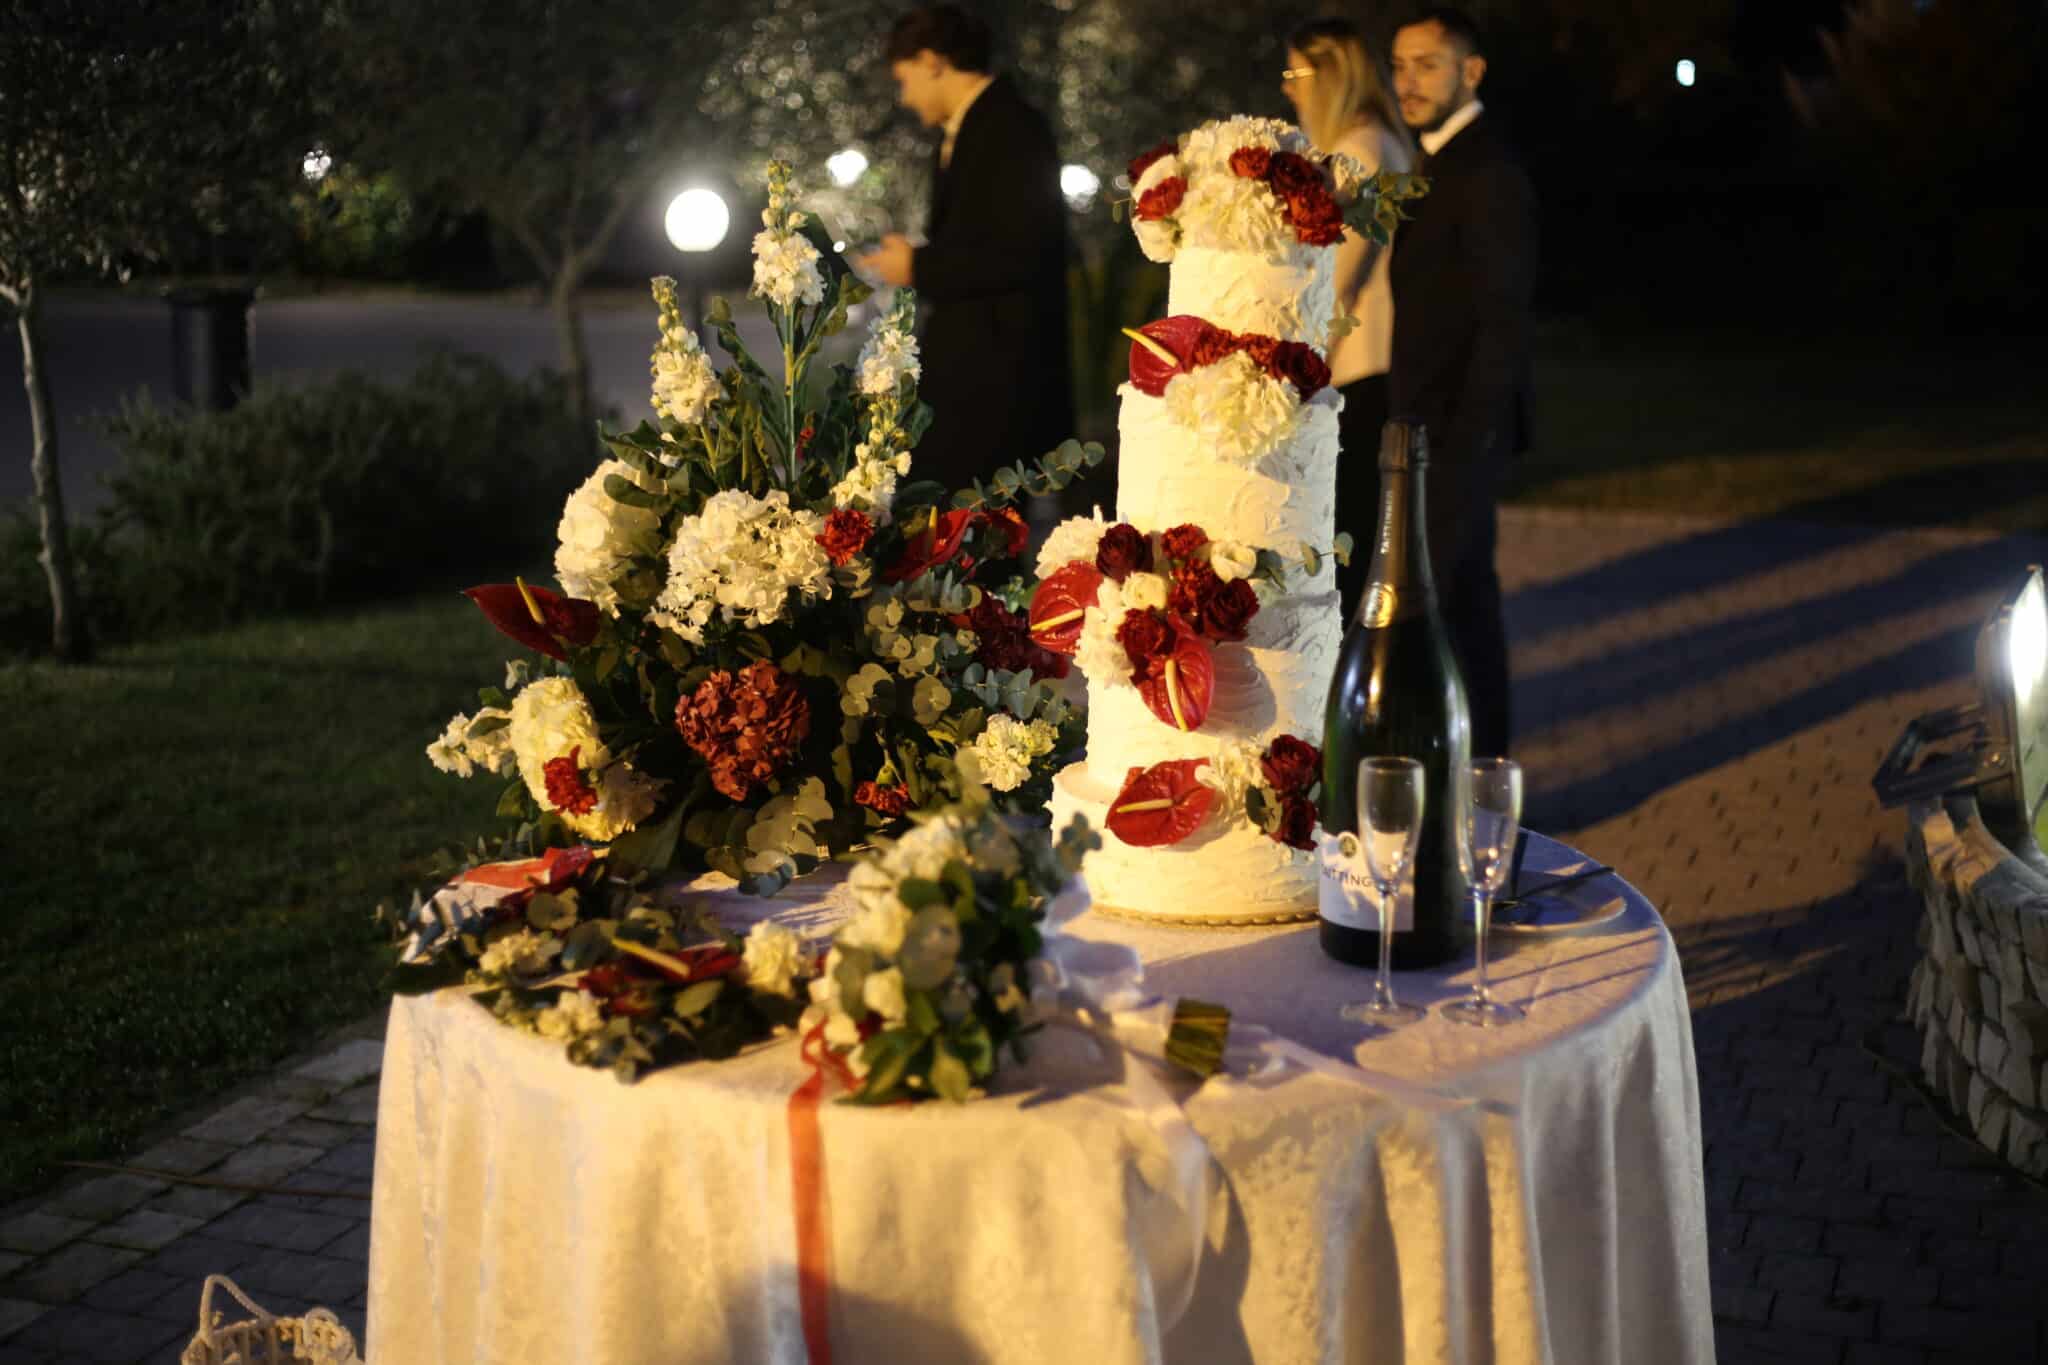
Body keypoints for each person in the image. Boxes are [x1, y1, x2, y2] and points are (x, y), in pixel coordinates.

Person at [1386, 5, 1536, 758]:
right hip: (1432, 427)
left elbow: (1503, 321)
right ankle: (1475, 775)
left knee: (1452, 611)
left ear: (1471, 72)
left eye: (1427, 65)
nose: (1407, 82)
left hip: (1456, 433)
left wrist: (1468, 441)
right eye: (1399, 66)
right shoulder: (1437, 162)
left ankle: (1472, 779)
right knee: (1461, 604)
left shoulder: (1487, 171)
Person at [855, 5, 1074, 496]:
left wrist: (918, 265)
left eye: (904, 79)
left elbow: (1022, 252)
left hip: (997, 389)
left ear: (932, 61)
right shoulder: (965, 130)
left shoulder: (1012, 127)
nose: (904, 97)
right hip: (970, 380)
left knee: (978, 527)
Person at [1279, 16, 1415, 618]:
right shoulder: (1380, 141)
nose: (1288, 89)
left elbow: (1337, 278)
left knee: (1349, 536)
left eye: (1296, 74)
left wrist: (1301, 370)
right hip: (1370, 361)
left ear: (1331, 77)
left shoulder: (1358, 152)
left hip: (1355, 365)